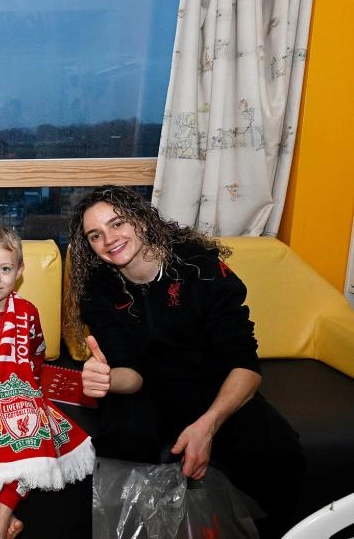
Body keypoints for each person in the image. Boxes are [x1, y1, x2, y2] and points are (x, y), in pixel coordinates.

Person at [68, 186, 305, 538]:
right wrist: (106, 379)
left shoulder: (200, 267)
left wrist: (207, 426)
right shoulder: (99, 289)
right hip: (144, 391)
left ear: (142, 221)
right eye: (95, 235)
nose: (110, 239)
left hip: (210, 387)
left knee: (279, 452)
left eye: (118, 223)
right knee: (122, 443)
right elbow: (131, 374)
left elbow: (246, 367)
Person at [0, 225, 95, 539]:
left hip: (18, 394)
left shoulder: (27, 311)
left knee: (38, 437)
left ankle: (4, 507)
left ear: (19, 271)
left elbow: (37, 352)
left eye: (5, 269)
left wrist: (31, 390)